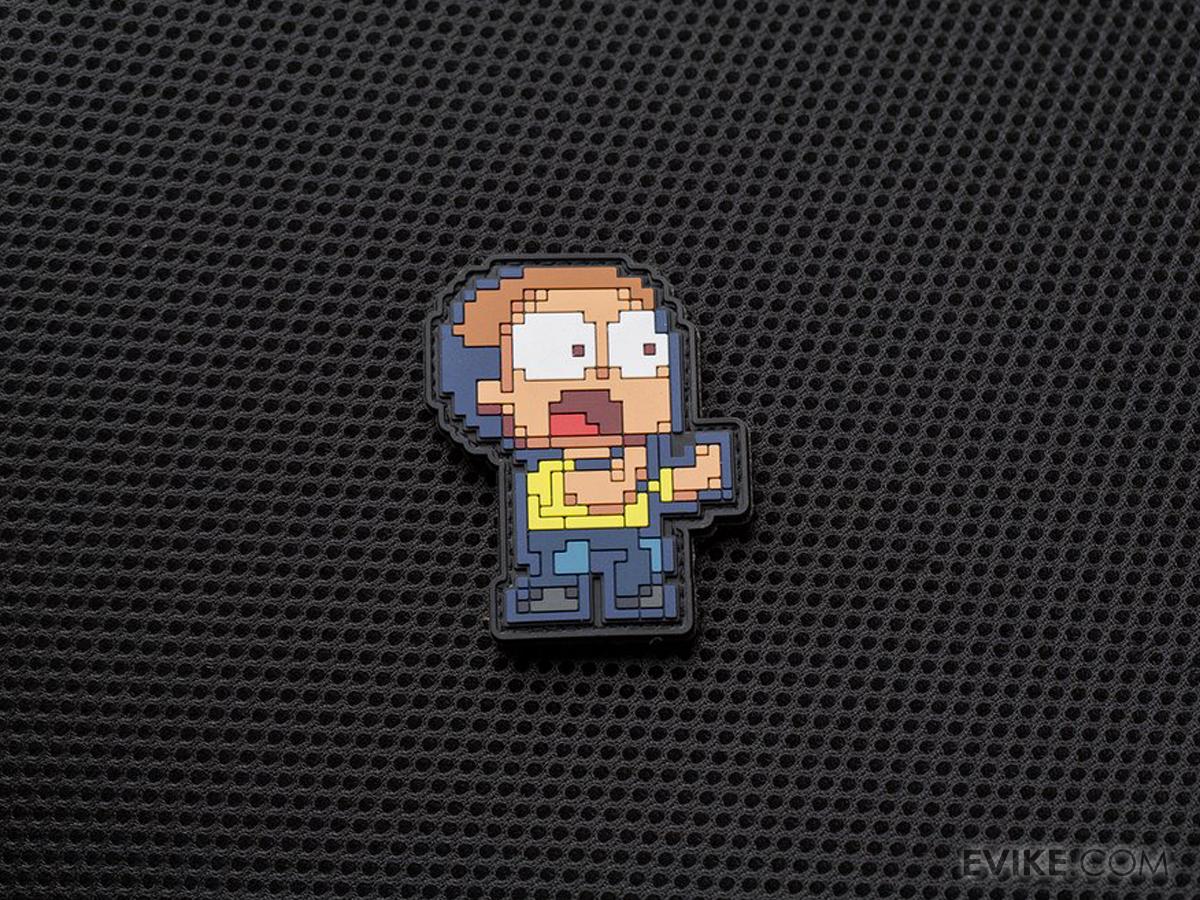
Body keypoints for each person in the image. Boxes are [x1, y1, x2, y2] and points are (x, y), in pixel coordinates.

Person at [431, 261, 746, 639]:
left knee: (637, 580)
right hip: (553, 542)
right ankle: (550, 595)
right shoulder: (535, 467)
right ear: (493, 392)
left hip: (636, 542)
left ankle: (636, 595)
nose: (601, 377)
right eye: (567, 354)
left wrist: (703, 473)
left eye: (639, 351)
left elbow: (684, 483)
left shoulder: (648, 453)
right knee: (552, 577)